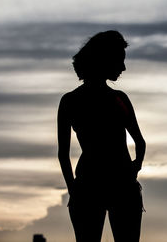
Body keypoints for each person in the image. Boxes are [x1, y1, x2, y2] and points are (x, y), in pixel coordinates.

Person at [57, 30, 146, 242]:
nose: (123, 68)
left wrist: (73, 189)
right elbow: (140, 142)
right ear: (105, 60)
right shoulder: (118, 99)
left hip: (89, 185)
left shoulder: (71, 101)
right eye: (120, 61)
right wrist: (135, 167)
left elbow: (63, 154)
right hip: (114, 185)